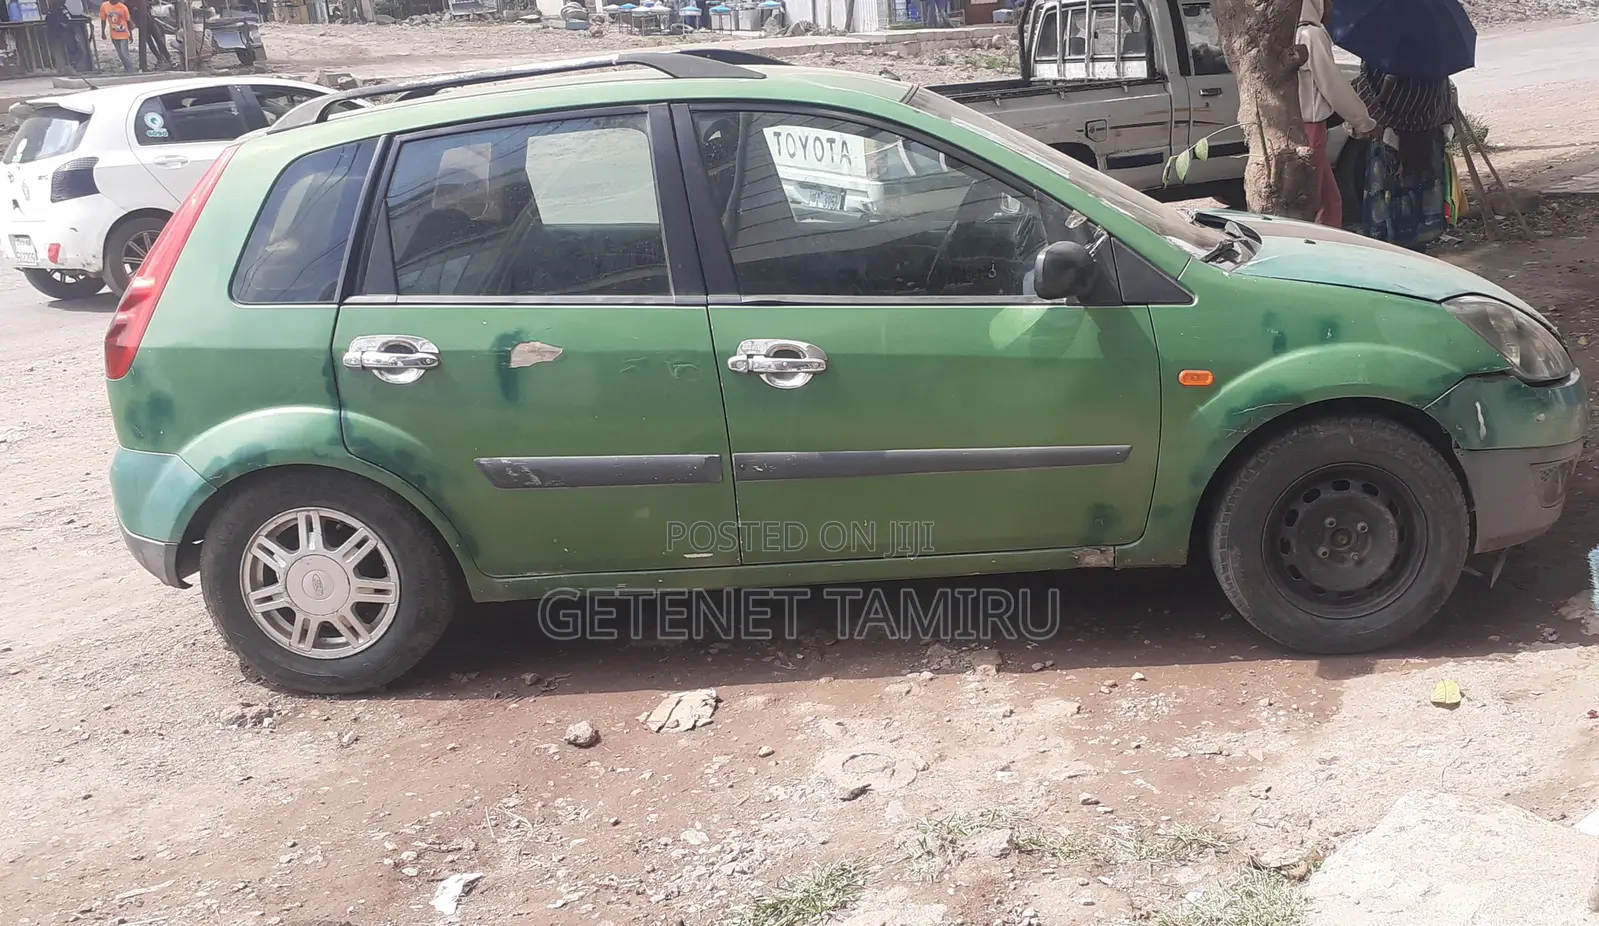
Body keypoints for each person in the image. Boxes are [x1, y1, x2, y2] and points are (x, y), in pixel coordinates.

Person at [1348, 66, 1457, 250]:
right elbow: (1444, 105)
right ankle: (1416, 245)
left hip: (1391, 137)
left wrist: (1369, 115)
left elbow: (1368, 94)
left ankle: (1395, 245)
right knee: (1419, 196)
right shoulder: (1435, 57)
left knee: (1391, 198)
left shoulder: (1378, 56)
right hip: (1427, 137)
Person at [1296, 0, 1376, 227]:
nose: (1329, 7)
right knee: (1319, 202)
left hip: (1299, 126)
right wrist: (1364, 122)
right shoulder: (1312, 35)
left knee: (1330, 201)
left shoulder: (1288, 34)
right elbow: (1333, 86)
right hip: (1310, 128)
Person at [99, 0, 134, 72]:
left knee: (124, 53)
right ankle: (127, 68)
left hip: (124, 34)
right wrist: (102, 32)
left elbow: (128, 22)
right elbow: (103, 20)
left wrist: (130, 34)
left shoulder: (123, 7)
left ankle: (131, 70)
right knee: (120, 53)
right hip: (114, 34)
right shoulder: (105, 6)